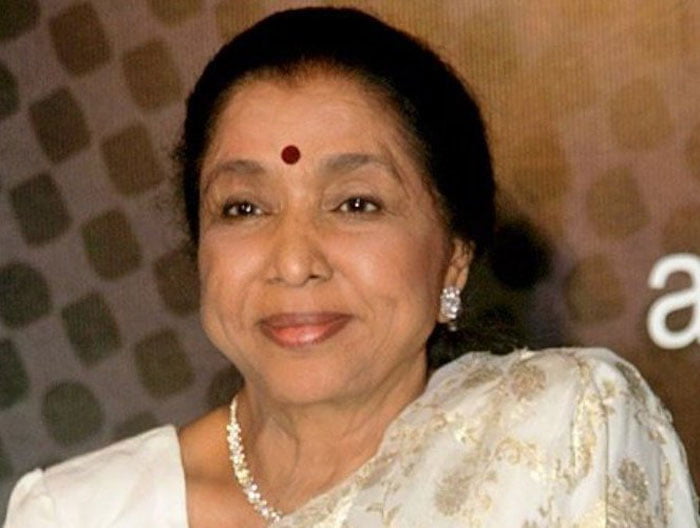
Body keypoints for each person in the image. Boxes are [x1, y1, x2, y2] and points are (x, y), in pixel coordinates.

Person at [4, 7, 698, 527]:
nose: (293, 261)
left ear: (454, 255)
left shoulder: (560, 438)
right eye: (244, 208)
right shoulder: (79, 513)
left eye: (355, 203)